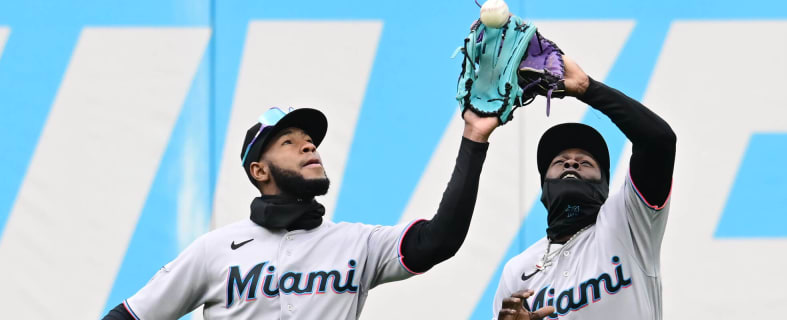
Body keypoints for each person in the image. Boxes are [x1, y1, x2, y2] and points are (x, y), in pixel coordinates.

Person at [103, 105, 501, 319]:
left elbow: (438, 241)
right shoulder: (215, 250)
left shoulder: (355, 242)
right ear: (259, 170)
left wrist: (474, 139)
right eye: (289, 142)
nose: (309, 147)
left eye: (310, 141)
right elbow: (131, 316)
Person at [493, 53, 676, 320]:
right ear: (544, 186)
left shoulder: (628, 222)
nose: (571, 164)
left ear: (604, 185)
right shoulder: (516, 271)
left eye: (585, 162)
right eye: (560, 162)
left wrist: (587, 89)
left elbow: (658, 140)